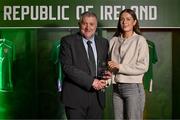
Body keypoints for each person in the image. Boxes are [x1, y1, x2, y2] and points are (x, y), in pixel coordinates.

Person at [60, 11, 111, 119]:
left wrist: (107, 76)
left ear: (96, 26)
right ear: (79, 24)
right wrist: (91, 81)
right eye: (84, 23)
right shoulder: (67, 41)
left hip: (97, 99)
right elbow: (67, 67)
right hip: (75, 98)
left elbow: (105, 65)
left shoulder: (104, 42)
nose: (88, 27)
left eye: (91, 24)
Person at [108, 9, 149, 120]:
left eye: (128, 19)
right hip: (116, 88)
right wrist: (106, 80)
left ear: (134, 22)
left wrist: (120, 66)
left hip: (133, 88)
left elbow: (143, 66)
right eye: (122, 19)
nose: (124, 22)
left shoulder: (140, 40)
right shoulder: (113, 41)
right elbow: (110, 66)